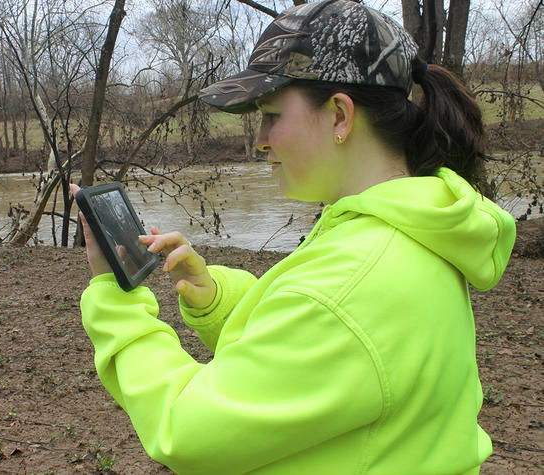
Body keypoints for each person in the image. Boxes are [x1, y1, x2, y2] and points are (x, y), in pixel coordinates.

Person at [70, 1, 516, 473]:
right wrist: (215, 298)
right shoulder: (411, 228)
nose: (260, 139)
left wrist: (116, 301)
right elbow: (322, 356)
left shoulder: (352, 281)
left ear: (341, 116)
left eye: (272, 114)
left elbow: (184, 428)